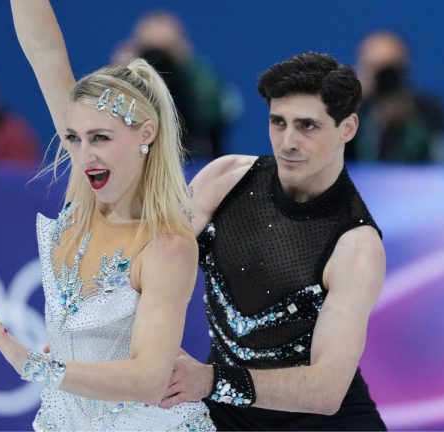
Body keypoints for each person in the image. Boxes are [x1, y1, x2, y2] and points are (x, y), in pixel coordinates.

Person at [0, 1, 214, 430]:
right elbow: (43, 49)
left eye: (101, 138)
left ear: (146, 134)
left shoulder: (167, 247)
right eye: (74, 137)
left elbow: (148, 379)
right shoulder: (82, 196)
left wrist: (37, 368)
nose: (83, 156)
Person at [159, 52, 388, 430]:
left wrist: (211, 380)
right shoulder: (225, 179)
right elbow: (147, 267)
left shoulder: (356, 246)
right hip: (224, 412)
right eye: (278, 123)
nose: (287, 142)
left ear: (347, 128)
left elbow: (327, 390)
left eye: (307, 126)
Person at [112, 11, 238, 161]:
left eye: (166, 50)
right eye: (149, 51)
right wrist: (120, 76)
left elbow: (221, 116)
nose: (158, 60)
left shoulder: (200, 77)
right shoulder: (126, 79)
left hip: (195, 162)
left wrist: (190, 74)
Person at [348, 31, 444, 163]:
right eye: (373, 68)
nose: (384, 79)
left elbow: (440, 164)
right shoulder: (348, 114)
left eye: (389, 70)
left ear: (405, 71)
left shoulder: (430, 111)